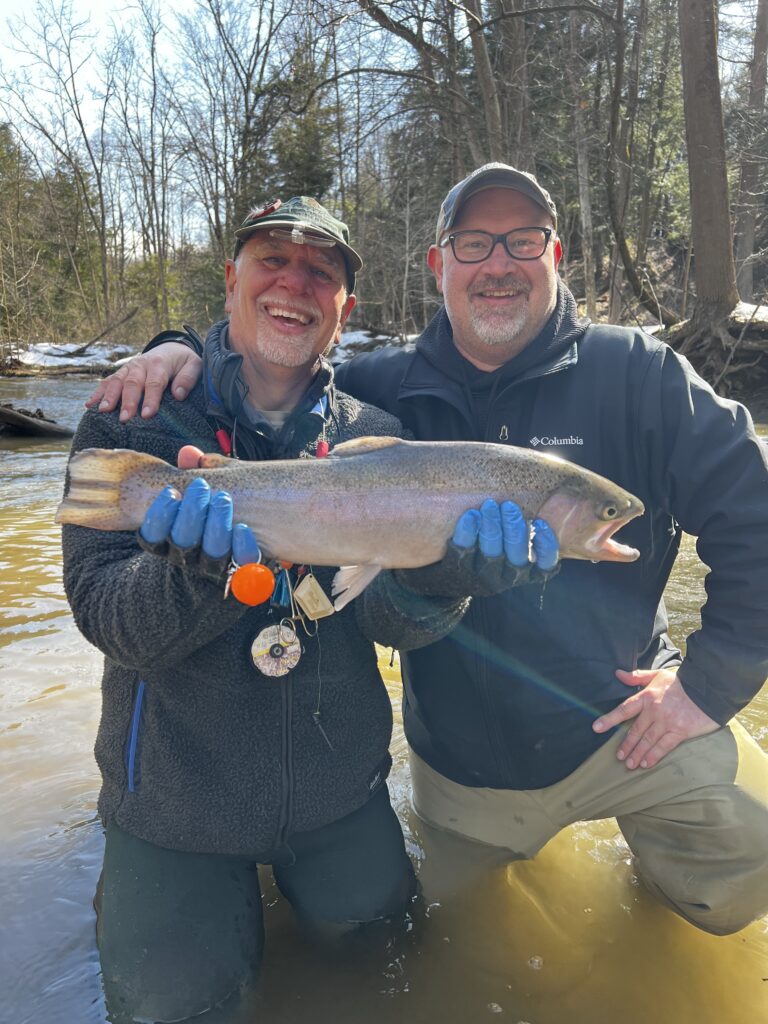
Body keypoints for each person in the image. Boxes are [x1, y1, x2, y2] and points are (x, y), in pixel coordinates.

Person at [88, 167, 768, 938]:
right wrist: (175, 349)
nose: (499, 263)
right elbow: (274, 355)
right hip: (464, 769)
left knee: (748, 877)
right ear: (440, 265)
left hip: (630, 722)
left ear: (558, 254)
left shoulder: (641, 375)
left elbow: (758, 517)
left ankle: (663, 887)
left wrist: (708, 688)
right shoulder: (382, 389)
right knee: (452, 947)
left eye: (524, 240)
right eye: (474, 243)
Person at [64, 195, 561, 1024]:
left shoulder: (377, 435)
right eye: (272, 261)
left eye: (320, 272)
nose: (294, 283)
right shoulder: (140, 413)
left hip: (337, 795)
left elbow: (388, 623)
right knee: (179, 1011)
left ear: (344, 312)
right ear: (229, 283)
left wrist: (445, 577)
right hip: (176, 806)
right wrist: (198, 575)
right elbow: (108, 619)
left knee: (389, 965)